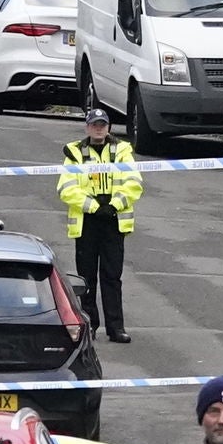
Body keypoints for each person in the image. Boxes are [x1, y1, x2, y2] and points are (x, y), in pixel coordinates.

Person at [57, 104, 142, 344]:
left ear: (108, 127)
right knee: (86, 278)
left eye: (102, 125)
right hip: (87, 221)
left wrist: (113, 205)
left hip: (113, 220)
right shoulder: (74, 152)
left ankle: (116, 328)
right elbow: (66, 188)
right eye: (94, 125)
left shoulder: (123, 150)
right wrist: (94, 207)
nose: (98, 129)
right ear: (87, 127)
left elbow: (134, 182)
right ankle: (89, 325)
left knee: (112, 275)